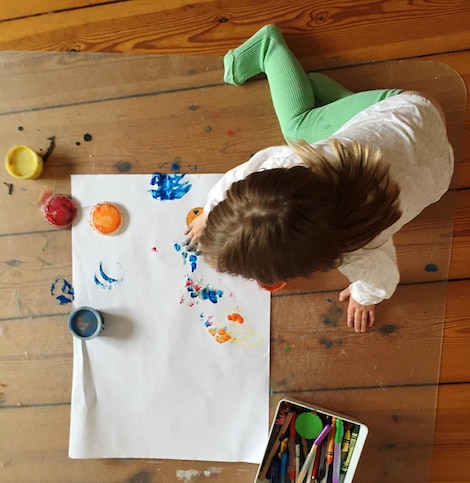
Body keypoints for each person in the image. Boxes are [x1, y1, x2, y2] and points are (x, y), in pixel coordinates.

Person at [186, 24, 454, 332]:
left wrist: (363, 296)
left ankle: (268, 48)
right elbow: (239, 179)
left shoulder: (357, 249)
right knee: (299, 132)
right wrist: (212, 211)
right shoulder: (290, 162)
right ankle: (319, 94)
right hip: (411, 113)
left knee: (297, 128)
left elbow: (383, 281)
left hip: (414, 123)